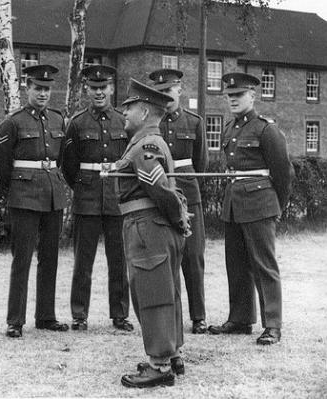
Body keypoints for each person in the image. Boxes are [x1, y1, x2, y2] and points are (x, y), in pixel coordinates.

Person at [208, 72, 293, 345]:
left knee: (263, 265)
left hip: (259, 204)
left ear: (252, 96)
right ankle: (241, 319)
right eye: (229, 96)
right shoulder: (230, 128)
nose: (233, 100)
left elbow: (283, 173)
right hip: (233, 203)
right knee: (236, 264)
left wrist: (275, 205)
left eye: (239, 95)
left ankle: (273, 325)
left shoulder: (266, 129)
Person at [116, 79, 190, 389]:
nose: (125, 114)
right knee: (166, 289)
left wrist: (178, 218)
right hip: (153, 225)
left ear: (144, 110)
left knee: (153, 292)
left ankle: (159, 364)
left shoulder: (145, 145)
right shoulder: (147, 142)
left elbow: (158, 188)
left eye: (129, 108)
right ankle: (171, 354)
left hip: (147, 225)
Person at [0, 64, 69, 338]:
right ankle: (15, 320)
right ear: (28, 88)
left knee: (50, 258)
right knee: (22, 258)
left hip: (52, 196)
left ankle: (46, 316)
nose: (43, 94)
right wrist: (16, 188)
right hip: (24, 197)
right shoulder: (13, 122)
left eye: (47, 89)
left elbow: (63, 161)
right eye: (38, 88)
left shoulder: (59, 120)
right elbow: (0, 166)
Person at [62, 65, 132, 332]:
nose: (99, 92)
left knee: (119, 259)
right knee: (83, 261)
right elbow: (69, 166)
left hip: (115, 197)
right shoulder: (77, 123)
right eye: (94, 88)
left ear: (112, 88)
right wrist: (83, 187)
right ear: (86, 90)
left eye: (104, 87)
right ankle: (79, 314)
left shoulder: (123, 120)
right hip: (87, 198)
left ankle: (120, 314)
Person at [149, 68, 209, 334]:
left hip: (189, 194)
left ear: (179, 90)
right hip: (161, 196)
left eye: (169, 91)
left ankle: (199, 317)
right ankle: (169, 316)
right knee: (166, 258)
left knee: (193, 257)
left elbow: (201, 163)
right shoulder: (151, 124)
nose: (165, 97)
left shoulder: (194, 122)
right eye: (160, 93)